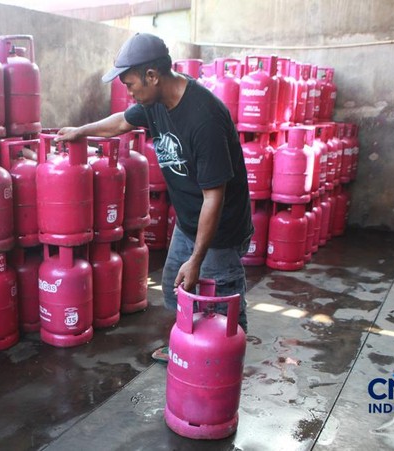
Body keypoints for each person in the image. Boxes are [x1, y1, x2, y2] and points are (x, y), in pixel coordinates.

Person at [56, 33, 253, 361]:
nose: (128, 92)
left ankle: (224, 367)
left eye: (130, 84)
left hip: (220, 229)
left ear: (152, 75)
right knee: (176, 288)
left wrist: (197, 258)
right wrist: (81, 130)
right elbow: (121, 121)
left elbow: (214, 197)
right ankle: (188, 350)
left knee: (221, 305)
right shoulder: (155, 103)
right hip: (189, 220)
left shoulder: (204, 118)